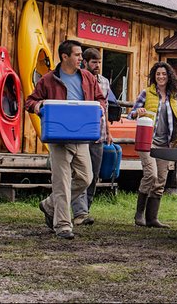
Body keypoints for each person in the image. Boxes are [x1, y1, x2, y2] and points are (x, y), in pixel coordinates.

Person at [25, 40, 107, 239]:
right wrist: (39, 106)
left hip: (81, 134)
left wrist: (100, 109)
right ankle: (63, 225)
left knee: (86, 178)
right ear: (65, 57)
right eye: (78, 55)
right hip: (58, 136)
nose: (81, 59)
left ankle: (49, 204)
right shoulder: (48, 79)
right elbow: (30, 101)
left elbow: (100, 98)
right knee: (61, 181)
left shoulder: (87, 77)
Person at [129, 61, 177, 228]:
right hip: (147, 141)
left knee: (161, 180)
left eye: (164, 74)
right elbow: (130, 114)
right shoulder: (146, 93)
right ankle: (139, 214)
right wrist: (137, 113)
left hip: (166, 144)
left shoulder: (173, 96)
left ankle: (152, 218)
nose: (161, 77)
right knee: (151, 175)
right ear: (154, 77)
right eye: (158, 74)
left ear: (169, 76)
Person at [71, 48, 114, 222]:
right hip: (81, 134)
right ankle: (79, 212)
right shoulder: (78, 79)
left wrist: (109, 131)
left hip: (99, 134)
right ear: (86, 62)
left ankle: (85, 209)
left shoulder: (104, 82)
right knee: (81, 173)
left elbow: (106, 109)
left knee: (94, 174)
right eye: (94, 62)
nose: (97, 65)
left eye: (99, 62)